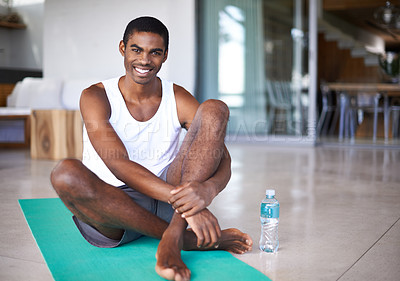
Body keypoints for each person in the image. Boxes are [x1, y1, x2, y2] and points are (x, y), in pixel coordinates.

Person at [50, 16, 252, 281]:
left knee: (215, 109)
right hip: (116, 209)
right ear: (123, 48)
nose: (145, 60)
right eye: (136, 50)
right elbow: (118, 164)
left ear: (165, 56)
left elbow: (220, 155)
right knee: (65, 174)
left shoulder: (176, 96)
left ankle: (174, 234)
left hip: (168, 200)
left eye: (155, 52)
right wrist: (189, 204)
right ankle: (187, 240)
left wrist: (207, 190)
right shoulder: (96, 96)